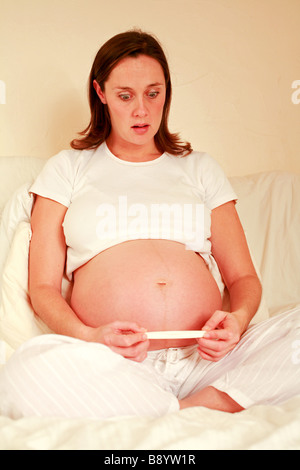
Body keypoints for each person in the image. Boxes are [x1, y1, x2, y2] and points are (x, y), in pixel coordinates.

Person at [0, 30, 299, 420]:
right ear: (101, 93)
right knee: (23, 371)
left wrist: (238, 321)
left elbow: (243, 277)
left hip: (207, 361)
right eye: (125, 95)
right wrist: (90, 336)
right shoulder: (66, 169)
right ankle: (193, 409)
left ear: (166, 93)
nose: (141, 109)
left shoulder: (199, 168)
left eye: (153, 93)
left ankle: (189, 405)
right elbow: (42, 288)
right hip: (114, 364)